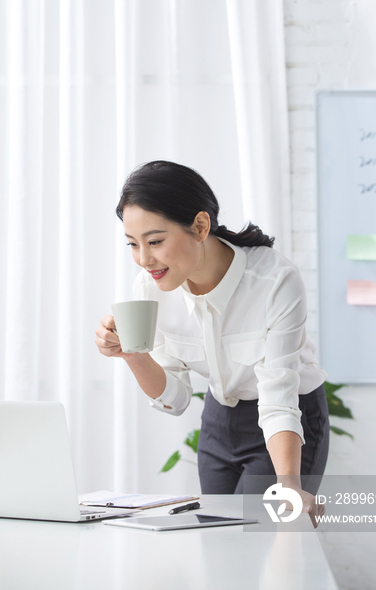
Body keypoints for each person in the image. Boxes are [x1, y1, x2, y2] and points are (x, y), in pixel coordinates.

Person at [95, 160, 329, 523]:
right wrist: (132, 354)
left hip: (287, 418)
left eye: (155, 241)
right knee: (217, 542)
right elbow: (175, 399)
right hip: (219, 420)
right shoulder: (150, 288)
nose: (144, 259)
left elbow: (279, 397)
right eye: (133, 244)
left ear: (200, 226)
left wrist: (288, 483)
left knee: (259, 546)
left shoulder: (275, 281)